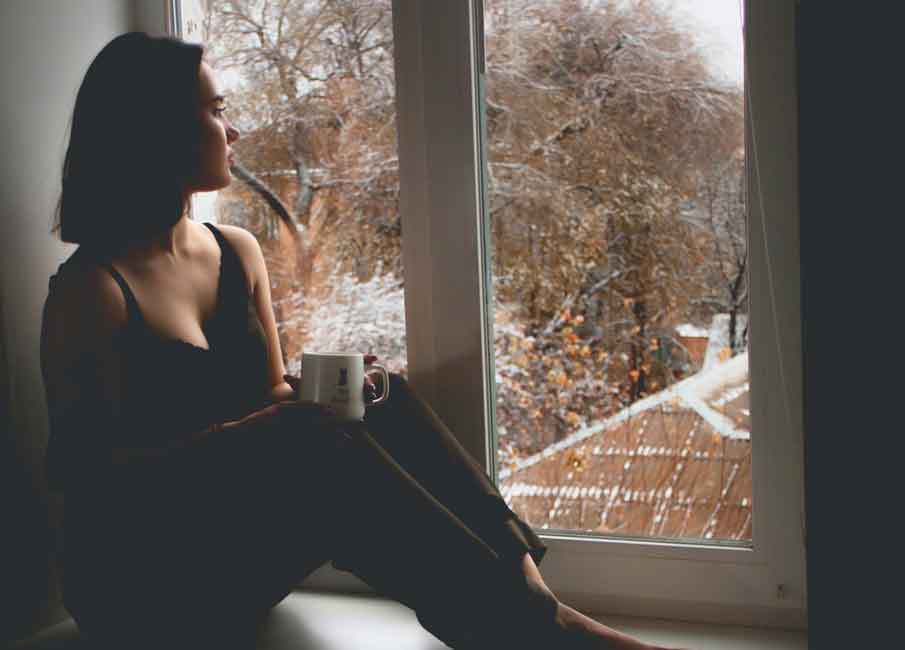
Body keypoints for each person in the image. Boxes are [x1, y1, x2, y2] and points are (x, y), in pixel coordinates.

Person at [40, 31, 688, 650]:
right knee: (322, 450)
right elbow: (90, 481)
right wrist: (256, 436)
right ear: (155, 130)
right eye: (214, 111)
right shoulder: (93, 292)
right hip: (143, 595)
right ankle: (542, 633)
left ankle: (539, 609)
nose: (233, 130)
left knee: (384, 397)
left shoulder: (235, 252)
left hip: (237, 553)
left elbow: (265, 394)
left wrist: (323, 396)